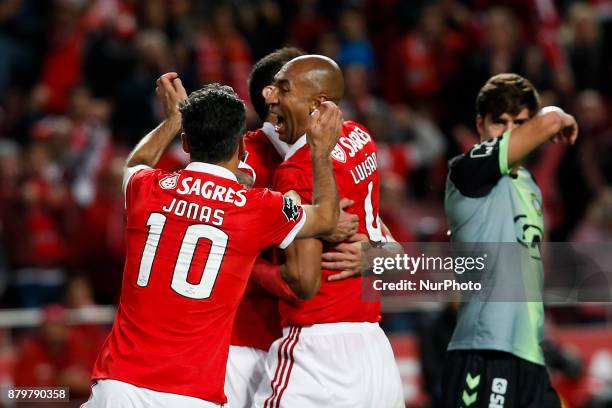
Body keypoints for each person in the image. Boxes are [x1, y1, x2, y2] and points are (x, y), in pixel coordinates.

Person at [84, 73, 343, 407]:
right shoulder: (258, 207)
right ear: (241, 146)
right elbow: (326, 216)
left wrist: (173, 120)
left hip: (120, 386)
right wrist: (321, 152)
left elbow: (135, 163)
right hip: (192, 394)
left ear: (186, 144)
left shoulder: (146, 189)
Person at [252, 55, 404, 408]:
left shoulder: (295, 169)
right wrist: (384, 254)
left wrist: (244, 261)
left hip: (317, 350)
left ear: (318, 103)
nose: (271, 98)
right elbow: (378, 231)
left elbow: (301, 281)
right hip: (375, 350)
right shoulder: (360, 138)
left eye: (284, 90)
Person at [226, 47, 361, 408]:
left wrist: (376, 255)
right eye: (286, 85)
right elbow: (212, 220)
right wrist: (309, 223)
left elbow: (381, 238)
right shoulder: (243, 158)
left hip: (309, 342)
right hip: (244, 342)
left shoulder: (335, 152)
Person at [440, 73, 578, 408]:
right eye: (499, 122)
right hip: (486, 349)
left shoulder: (530, 185)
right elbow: (548, 122)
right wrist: (557, 116)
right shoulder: (467, 173)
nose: (510, 131)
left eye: (519, 122)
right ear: (479, 125)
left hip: (530, 354)